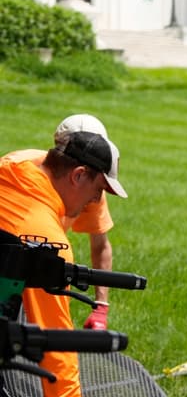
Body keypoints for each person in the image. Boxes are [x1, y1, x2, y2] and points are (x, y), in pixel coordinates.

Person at [0, 130, 127, 397]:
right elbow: (56, 350)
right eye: (97, 190)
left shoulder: (13, 163)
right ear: (78, 175)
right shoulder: (45, 241)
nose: (95, 200)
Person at [3, 114, 118, 331]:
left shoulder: (91, 187)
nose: (96, 197)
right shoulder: (18, 165)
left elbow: (100, 245)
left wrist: (100, 307)